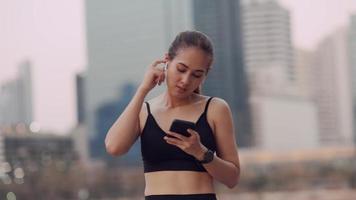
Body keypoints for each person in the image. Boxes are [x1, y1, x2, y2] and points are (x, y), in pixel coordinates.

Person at [105, 30, 240, 200]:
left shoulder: (215, 108)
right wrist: (143, 89)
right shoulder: (145, 110)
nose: (185, 80)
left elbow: (232, 178)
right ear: (167, 61)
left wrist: (201, 152)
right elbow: (114, 147)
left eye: (196, 75)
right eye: (181, 69)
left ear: (205, 76)